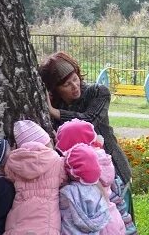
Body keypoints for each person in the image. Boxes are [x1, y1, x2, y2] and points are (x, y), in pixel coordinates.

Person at [38, 52, 131, 188]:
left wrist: (53, 112)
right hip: (79, 177)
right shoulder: (57, 104)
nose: (75, 86)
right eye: (66, 85)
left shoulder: (97, 92)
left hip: (113, 170)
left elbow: (88, 121)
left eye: (75, 79)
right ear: (55, 89)